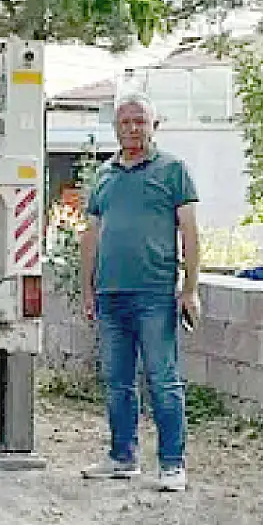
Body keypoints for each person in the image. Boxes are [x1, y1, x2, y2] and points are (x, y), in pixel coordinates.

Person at [78, 93, 200, 491]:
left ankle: (172, 464)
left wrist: (190, 288)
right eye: (125, 122)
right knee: (117, 382)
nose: (133, 128)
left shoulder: (173, 171)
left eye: (140, 122)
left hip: (154, 294)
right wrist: (88, 289)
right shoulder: (105, 176)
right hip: (111, 296)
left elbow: (190, 232)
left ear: (154, 126)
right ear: (116, 128)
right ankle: (122, 457)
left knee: (163, 380)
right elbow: (92, 235)